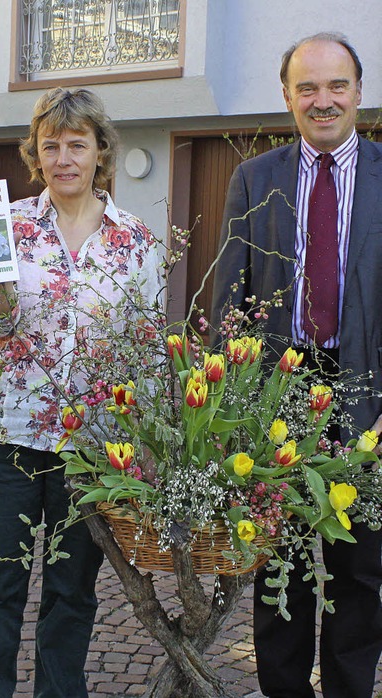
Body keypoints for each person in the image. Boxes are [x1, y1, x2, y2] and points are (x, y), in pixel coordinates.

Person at [0, 87, 164, 697]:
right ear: (36, 154)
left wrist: (148, 439)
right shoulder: (8, 226)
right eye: (51, 145)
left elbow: (149, 349)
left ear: (101, 151)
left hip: (96, 449)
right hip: (8, 436)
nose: (64, 157)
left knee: (72, 594)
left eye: (78, 144)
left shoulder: (137, 241)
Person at [211, 32, 382, 698]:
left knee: (359, 567)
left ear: (359, 92)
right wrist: (237, 407)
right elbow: (231, 297)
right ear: (287, 96)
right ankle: (284, 690)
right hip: (280, 393)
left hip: (365, 384)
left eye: (336, 85)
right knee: (277, 561)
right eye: (307, 87)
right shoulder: (256, 178)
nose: (323, 100)